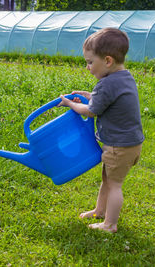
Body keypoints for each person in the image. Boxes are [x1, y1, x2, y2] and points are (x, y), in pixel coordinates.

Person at [58, 28, 144, 233]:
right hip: (129, 144)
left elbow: (89, 111)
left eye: (89, 62)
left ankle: (110, 224)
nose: (87, 67)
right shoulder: (124, 76)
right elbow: (106, 99)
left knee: (114, 185)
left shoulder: (105, 84)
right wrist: (90, 93)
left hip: (118, 146)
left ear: (107, 61)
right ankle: (99, 210)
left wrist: (69, 103)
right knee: (107, 179)